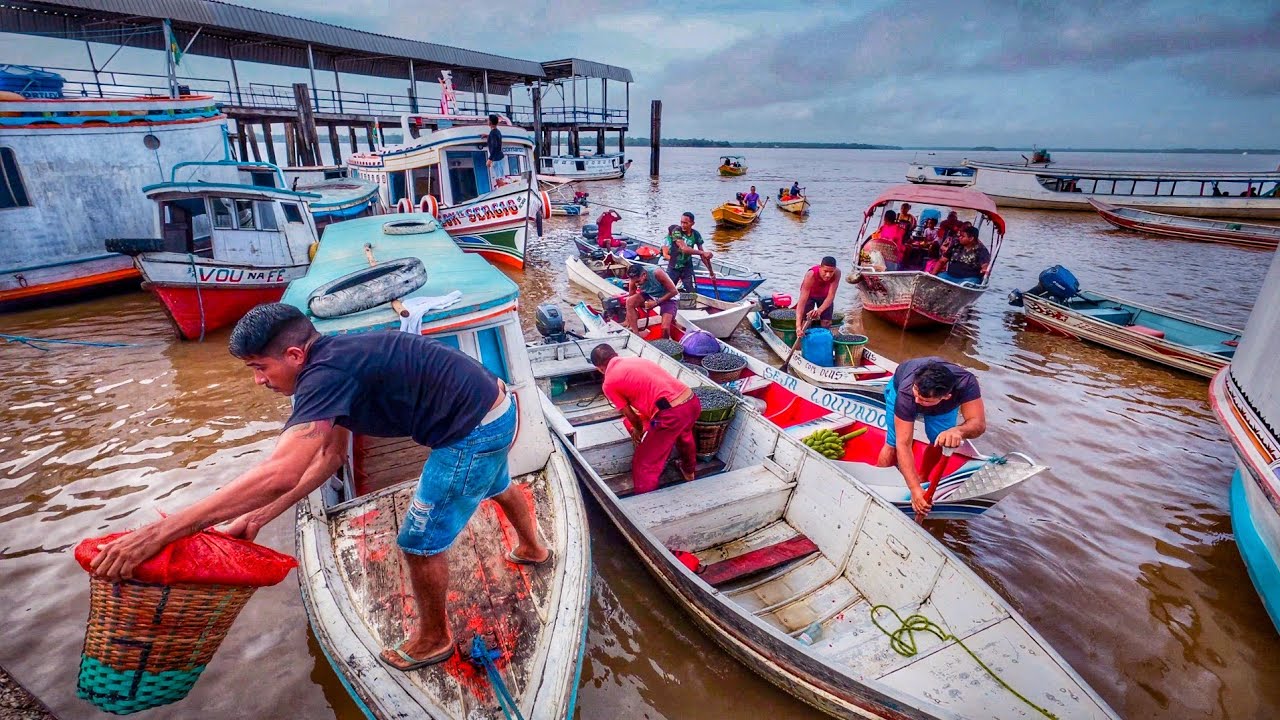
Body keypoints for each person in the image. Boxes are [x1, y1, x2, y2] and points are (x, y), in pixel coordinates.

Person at [89, 304, 548, 671]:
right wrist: (256, 516)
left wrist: (162, 533)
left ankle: (434, 640)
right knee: (494, 482)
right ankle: (532, 548)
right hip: (496, 408)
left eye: (260, 367)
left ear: (294, 356)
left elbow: (280, 472)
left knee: (419, 542)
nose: (258, 380)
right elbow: (329, 459)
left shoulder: (324, 375)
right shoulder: (336, 361)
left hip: (471, 432)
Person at [875, 358, 986, 517]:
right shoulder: (908, 392)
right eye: (917, 393)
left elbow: (979, 424)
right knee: (892, 444)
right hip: (901, 390)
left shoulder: (966, 383)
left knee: (941, 442)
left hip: (943, 409)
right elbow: (903, 444)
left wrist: (958, 431)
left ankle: (922, 478)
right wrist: (914, 490)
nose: (917, 401)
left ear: (946, 396)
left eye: (924, 400)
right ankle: (879, 487)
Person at [591, 344, 701, 494]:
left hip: (671, 415)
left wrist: (637, 430)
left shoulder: (609, 383)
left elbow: (631, 416)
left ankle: (646, 501)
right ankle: (689, 472)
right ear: (615, 354)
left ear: (599, 368)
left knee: (644, 463)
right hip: (692, 402)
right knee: (684, 436)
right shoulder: (637, 359)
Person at [625, 263, 678, 338]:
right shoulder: (633, 280)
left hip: (668, 297)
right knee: (629, 301)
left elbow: (674, 291)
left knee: (665, 328)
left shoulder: (657, 273)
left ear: (644, 275)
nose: (637, 284)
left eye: (638, 281)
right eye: (634, 282)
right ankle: (636, 335)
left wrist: (656, 302)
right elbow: (631, 296)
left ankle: (665, 342)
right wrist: (630, 314)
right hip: (650, 294)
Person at [795, 257, 842, 338]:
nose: (828, 275)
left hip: (825, 295)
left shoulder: (837, 273)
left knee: (826, 322)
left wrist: (819, 311)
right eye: (825, 271)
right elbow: (802, 302)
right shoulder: (811, 275)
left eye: (831, 272)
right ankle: (803, 339)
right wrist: (798, 327)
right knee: (806, 321)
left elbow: (831, 295)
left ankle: (824, 339)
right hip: (810, 295)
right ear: (820, 268)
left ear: (835, 270)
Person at [666, 211, 712, 292]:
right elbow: (684, 249)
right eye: (681, 222)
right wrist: (702, 253)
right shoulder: (676, 231)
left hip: (687, 267)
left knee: (692, 292)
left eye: (685, 223)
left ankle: (687, 299)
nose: (683, 225)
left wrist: (711, 272)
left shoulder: (696, 234)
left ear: (692, 223)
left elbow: (703, 256)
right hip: (674, 267)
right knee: (668, 291)